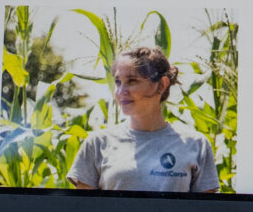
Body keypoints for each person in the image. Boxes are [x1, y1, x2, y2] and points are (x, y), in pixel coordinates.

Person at [67, 46, 220, 193]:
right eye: (118, 82)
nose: (121, 92)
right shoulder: (97, 144)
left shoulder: (196, 145)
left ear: (161, 85)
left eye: (132, 81)